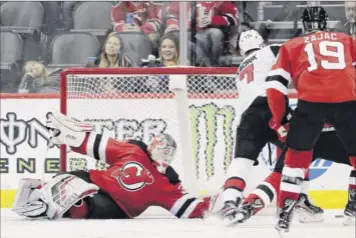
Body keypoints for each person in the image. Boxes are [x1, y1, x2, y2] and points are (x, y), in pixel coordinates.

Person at [12, 111, 211, 220]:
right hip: (95, 181)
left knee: (86, 204)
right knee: (67, 178)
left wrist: (220, 203)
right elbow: (96, 145)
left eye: (168, 152)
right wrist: (70, 137)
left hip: (117, 207)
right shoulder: (134, 150)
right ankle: (41, 196)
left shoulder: (167, 183)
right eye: (162, 149)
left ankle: (50, 207)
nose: (164, 155)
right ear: (153, 146)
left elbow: (191, 209)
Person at [265, 6, 356, 234]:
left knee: (295, 160)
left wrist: (282, 119)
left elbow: (274, 85)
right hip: (347, 100)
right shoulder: (346, 39)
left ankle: (285, 212)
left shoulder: (292, 45)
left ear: (303, 25)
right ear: (326, 23)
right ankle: (353, 208)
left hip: (311, 101)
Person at [234, 124, 353, 224]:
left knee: (283, 173)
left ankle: (249, 205)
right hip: (331, 136)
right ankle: (352, 209)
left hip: (301, 135)